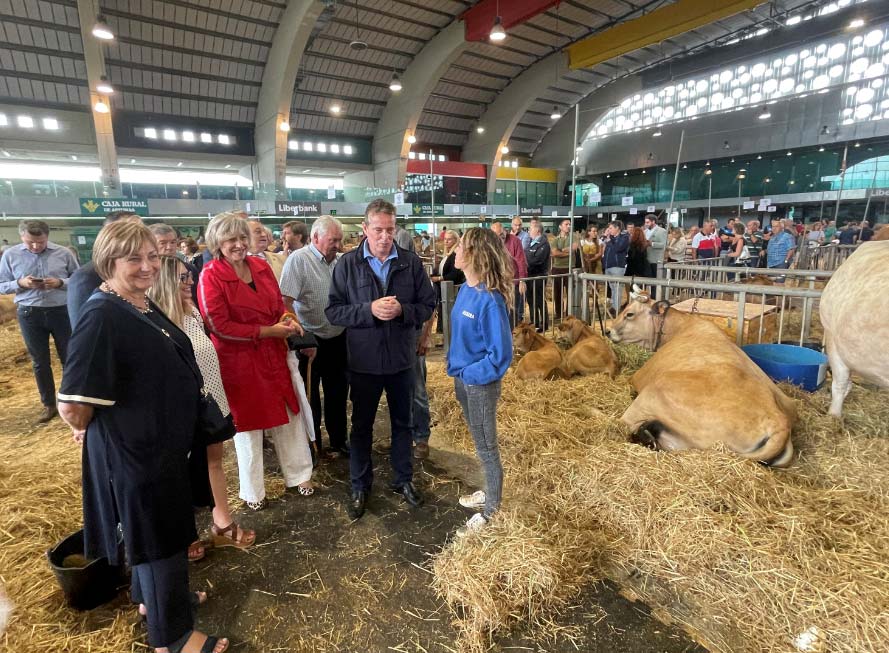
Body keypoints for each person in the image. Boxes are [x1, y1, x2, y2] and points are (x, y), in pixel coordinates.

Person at [58, 221, 228, 653]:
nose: (148, 265)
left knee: (155, 536)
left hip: (157, 448)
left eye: (153, 256)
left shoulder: (136, 302)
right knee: (162, 540)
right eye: (134, 258)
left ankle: (155, 602)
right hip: (136, 453)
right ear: (108, 261)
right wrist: (88, 429)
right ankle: (173, 638)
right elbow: (73, 402)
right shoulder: (102, 315)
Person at [326, 199, 436, 520]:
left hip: (402, 362)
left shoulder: (410, 263)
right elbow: (333, 310)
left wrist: (404, 310)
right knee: (361, 427)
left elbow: (428, 305)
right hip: (364, 364)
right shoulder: (348, 265)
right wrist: (369, 310)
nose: (385, 237)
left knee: (403, 424)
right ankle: (360, 484)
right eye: (378, 230)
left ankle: (403, 479)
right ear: (365, 229)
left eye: (390, 230)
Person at [198, 212, 315, 511]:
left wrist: (288, 320)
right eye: (230, 240)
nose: (238, 245)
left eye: (241, 238)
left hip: (273, 355)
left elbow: (278, 304)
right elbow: (218, 325)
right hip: (239, 362)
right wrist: (269, 331)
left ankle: (299, 474)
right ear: (217, 243)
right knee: (248, 428)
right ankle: (253, 491)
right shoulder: (210, 275)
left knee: (289, 415)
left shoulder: (261, 266)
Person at [149, 255, 256, 550]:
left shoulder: (192, 311)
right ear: (162, 281)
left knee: (214, 462)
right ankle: (185, 536)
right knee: (179, 472)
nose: (189, 282)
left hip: (211, 400)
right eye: (182, 278)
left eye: (189, 276)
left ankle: (222, 524)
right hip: (181, 409)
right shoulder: (155, 321)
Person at [447, 228, 513, 537]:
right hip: (463, 379)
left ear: (475, 253)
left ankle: (491, 511)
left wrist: (471, 374)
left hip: (480, 383)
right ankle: (490, 490)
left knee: (487, 446)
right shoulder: (465, 290)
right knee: (478, 440)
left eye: (460, 245)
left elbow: (500, 355)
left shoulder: (490, 300)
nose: (455, 249)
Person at [279, 216, 350, 458]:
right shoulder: (298, 260)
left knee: (338, 393)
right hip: (310, 340)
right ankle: (312, 445)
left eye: (340, 240)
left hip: (338, 338)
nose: (338, 245)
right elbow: (285, 303)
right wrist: (302, 340)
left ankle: (339, 441)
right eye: (333, 240)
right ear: (316, 237)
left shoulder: (341, 262)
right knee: (310, 398)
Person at [0, 220, 79, 422]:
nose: (36, 247)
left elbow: (78, 279)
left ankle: (73, 401)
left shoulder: (63, 253)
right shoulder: (10, 255)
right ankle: (49, 404)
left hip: (60, 311)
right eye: (30, 242)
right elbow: (2, 285)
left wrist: (60, 282)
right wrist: (20, 283)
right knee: (39, 361)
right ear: (22, 238)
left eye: (40, 242)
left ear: (47, 236)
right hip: (30, 313)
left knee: (69, 358)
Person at [67, 210, 139, 327]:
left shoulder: (144, 270)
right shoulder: (86, 277)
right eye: (127, 231)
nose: (139, 235)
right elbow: (83, 331)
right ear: (108, 234)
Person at [490, 221, 527, 322]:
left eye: (501, 234)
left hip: (513, 282)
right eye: (496, 235)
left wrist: (522, 280)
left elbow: (521, 261)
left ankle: (512, 333)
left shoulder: (515, 241)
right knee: (499, 310)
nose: (500, 237)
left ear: (505, 231)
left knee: (513, 310)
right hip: (498, 283)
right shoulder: (491, 243)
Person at [430, 229, 464, 334]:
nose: (446, 242)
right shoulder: (447, 254)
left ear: (455, 240)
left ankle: (449, 334)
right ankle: (443, 333)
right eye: (445, 239)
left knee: (449, 312)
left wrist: (440, 278)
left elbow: (455, 274)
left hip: (452, 290)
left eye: (449, 239)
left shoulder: (455, 254)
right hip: (443, 289)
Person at [525, 221, 550, 332]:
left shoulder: (544, 244)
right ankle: (534, 321)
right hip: (530, 276)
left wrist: (526, 262)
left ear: (537, 230)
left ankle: (544, 323)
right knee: (530, 299)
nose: (529, 231)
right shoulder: (530, 242)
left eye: (531, 229)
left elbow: (538, 260)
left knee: (539, 300)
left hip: (539, 275)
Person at [602, 220, 629, 316]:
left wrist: (611, 239)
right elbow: (602, 244)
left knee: (617, 288)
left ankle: (616, 309)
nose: (609, 230)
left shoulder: (624, 237)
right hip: (608, 265)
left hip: (617, 266)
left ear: (617, 228)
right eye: (608, 228)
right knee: (612, 287)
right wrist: (606, 237)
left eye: (611, 228)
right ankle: (614, 307)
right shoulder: (610, 238)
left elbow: (619, 248)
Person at [550, 219, 572, 320]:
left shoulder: (573, 238)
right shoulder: (555, 239)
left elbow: (573, 248)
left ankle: (568, 313)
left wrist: (561, 252)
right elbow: (554, 253)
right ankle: (559, 313)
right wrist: (567, 253)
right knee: (557, 293)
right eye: (566, 224)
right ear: (560, 226)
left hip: (569, 268)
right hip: (557, 268)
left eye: (569, 224)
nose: (568, 226)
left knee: (570, 292)